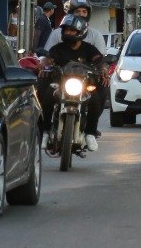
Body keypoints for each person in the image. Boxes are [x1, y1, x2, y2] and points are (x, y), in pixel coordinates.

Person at [41, 15, 106, 148]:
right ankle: (45, 131)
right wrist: (44, 65)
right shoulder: (57, 49)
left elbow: (99, 61)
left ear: (81, 32)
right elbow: (49, 60)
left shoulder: (89, 49)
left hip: (83, 85)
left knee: (95, 99)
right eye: (66, 30)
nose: (68, 33)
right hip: (61, 85)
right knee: (47, 96)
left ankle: (90, 133)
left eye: (72, 30)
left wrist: (103, 68)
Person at [42, 0, 108, 55]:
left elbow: (101, 59)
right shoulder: (57, 33)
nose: (81, 14)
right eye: (77, 11)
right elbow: (47, 56)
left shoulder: (96, 35)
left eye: (84, 11)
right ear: (70, 13)